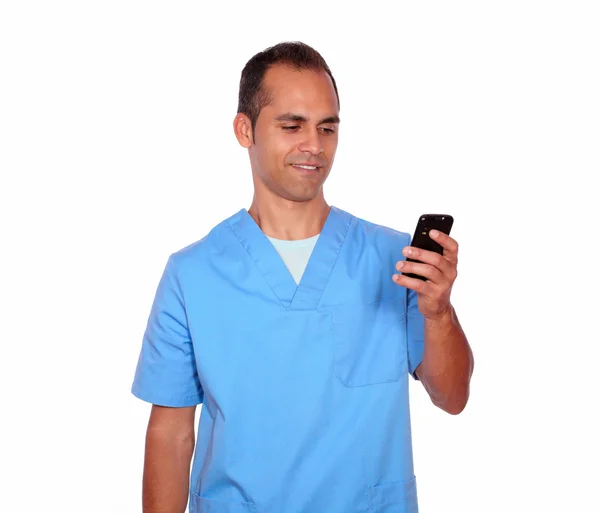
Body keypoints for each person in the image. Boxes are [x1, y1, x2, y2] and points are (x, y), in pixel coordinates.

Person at [131, 41, 474, 513]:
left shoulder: (397, 260)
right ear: (244, 129)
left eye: (327, 128)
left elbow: (453, 397)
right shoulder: (193, 275)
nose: (313, 145)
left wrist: (438, 311)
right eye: (292, 126)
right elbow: (170, 433)